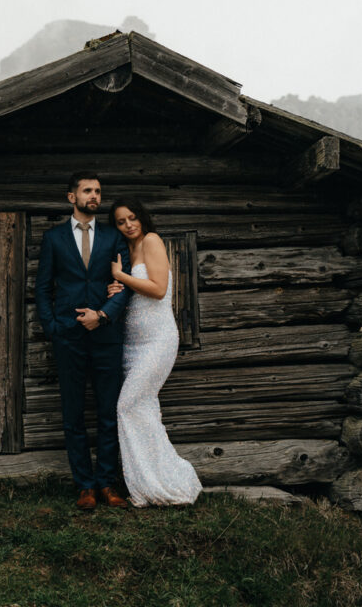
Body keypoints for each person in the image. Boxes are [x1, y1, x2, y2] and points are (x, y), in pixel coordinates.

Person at [35, 172, 133, 510]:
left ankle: (107, 484)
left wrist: (103, 315)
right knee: (73, 413)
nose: (94, 196)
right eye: (87, 190)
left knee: (108, 411)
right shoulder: (54, 239)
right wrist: (53, 327)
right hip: (68, 337)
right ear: (71, 197)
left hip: (106, 335)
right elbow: (43, 288)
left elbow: (125, 283)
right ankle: (85, 487)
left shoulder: (112, 237)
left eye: (98, 191)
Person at [107, 196, 202, 507]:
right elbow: (134, 293)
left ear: (141, 217)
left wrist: (121, 277)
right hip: (131, 343)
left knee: (126, 406)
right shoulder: (125, 250)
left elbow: (159, 289)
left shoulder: (152, 240)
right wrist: (116, 289)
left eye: (131, 217)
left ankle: (165, 481)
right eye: (121, 221)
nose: (128, 225)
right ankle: (150, 485)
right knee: (144, 409)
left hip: (158, 340)